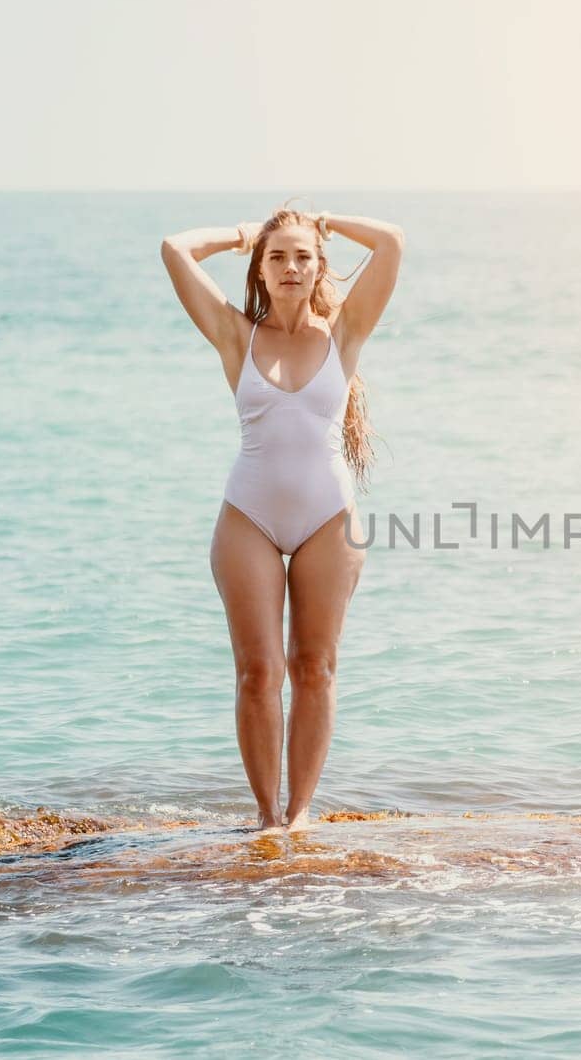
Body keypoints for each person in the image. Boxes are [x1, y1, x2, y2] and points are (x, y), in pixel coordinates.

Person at [160, 202, 404, 833]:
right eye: (277, 257)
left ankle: (298, 816)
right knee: (258, 672)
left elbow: (392, 243)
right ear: (261, 272)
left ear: (318, 265)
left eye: (302, 256)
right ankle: (267, 817)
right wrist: (241, 234)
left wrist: (329, 221)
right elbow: (174, 248)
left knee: (315, 669)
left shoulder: (344, 333)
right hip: (249, 517)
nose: (291, 266)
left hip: (330, 518)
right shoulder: (235, 335)